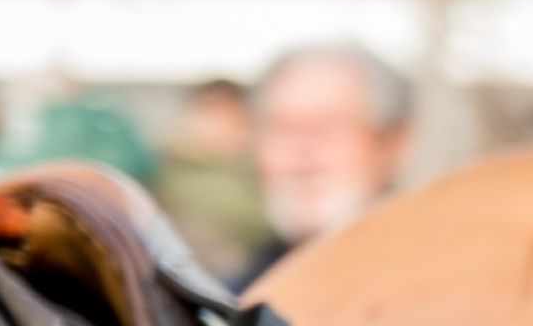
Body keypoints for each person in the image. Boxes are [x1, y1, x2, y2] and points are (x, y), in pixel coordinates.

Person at [245, 42, 411, 281]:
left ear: (393, 144)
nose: (302, 150)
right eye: (283, 128)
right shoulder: (235, 299)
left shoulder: (444, 287)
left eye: (327, 126)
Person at [149, 75, 272, 278]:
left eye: (230, 113)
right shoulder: (168, 170)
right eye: (212, 112)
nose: (221, 123)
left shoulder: (264, 166)